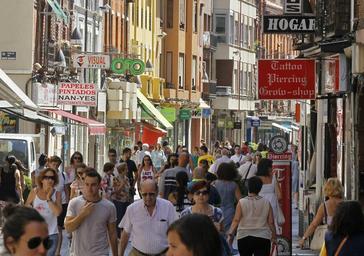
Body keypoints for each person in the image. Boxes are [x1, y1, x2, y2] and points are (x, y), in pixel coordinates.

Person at [65, 168, 118, 256]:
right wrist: (82, 214)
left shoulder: (109, 207)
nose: (89, 188)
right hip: (78, 253)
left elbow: (112, 233)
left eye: (93, 185)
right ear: (83, 184)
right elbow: (68, 228)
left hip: (101, 253)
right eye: (87, 184)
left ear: (99, 185)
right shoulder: (74, 203)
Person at [119, 180, 177, 255]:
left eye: (151, 194)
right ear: (140, 192)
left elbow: (175, 232)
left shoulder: (168, 206)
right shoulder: (132, 209)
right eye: (144, 194)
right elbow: (125, 235)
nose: (148, 198)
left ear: (157, 192)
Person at [227, 176, 277, 256]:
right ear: (260, 188)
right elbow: (271, 222)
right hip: (262, 237)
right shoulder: (266, 202)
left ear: (248, 187)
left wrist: (230, 234)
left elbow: (236, 220)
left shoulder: (241, 202)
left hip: (244, 237)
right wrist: (274, 236)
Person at [25, 168, 62, 256]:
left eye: (52, 178)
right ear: (41, 179)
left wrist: (49, 198)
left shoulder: (57, 194)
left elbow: (57, 213)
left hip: (51, 235)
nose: (50, 180)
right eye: (46, 177)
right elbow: (26, 206)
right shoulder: (34, 192)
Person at [299, 178, 344, 248]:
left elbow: (314, 224)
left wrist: (304, 238)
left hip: (330, 242)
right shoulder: (346, 205)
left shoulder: (324, 206)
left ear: (327, 189)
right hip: (344, 241)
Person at [47, 155, 67, 256]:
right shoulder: (46, 176)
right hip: (49, 203)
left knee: (58, 227)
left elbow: (66, 189)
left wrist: (68, 201)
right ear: (49, 164)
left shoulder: (62, 175)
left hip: (62, 203)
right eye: (53, 164)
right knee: (49, 226)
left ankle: (58, 251)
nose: (55, 166)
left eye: (57, 164)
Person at [213, 162, 242, 231]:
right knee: (228, 231)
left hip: (216, 210)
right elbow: (240, 200)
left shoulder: (214, 183)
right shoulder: (234, 185)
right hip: (230, 210)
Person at [256, 158, 282, 234]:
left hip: (259, 203)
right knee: (272, 223)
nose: (272, 167)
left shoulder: (256, 179)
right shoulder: (273, 177)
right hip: (272, 203)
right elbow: (280, 196)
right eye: (270, 166)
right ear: (267, 168)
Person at [110, 163, 131, 238]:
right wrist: (122, 184)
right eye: (126, 169)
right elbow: (116, 191)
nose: (127, 170)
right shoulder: (116, 179)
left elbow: (128, 190)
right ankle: (118, 236)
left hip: (126, 201)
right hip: (118, 201)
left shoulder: (126, 178)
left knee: (125, 218)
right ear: (122, 170)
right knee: (119, 218)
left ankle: (123, 235)